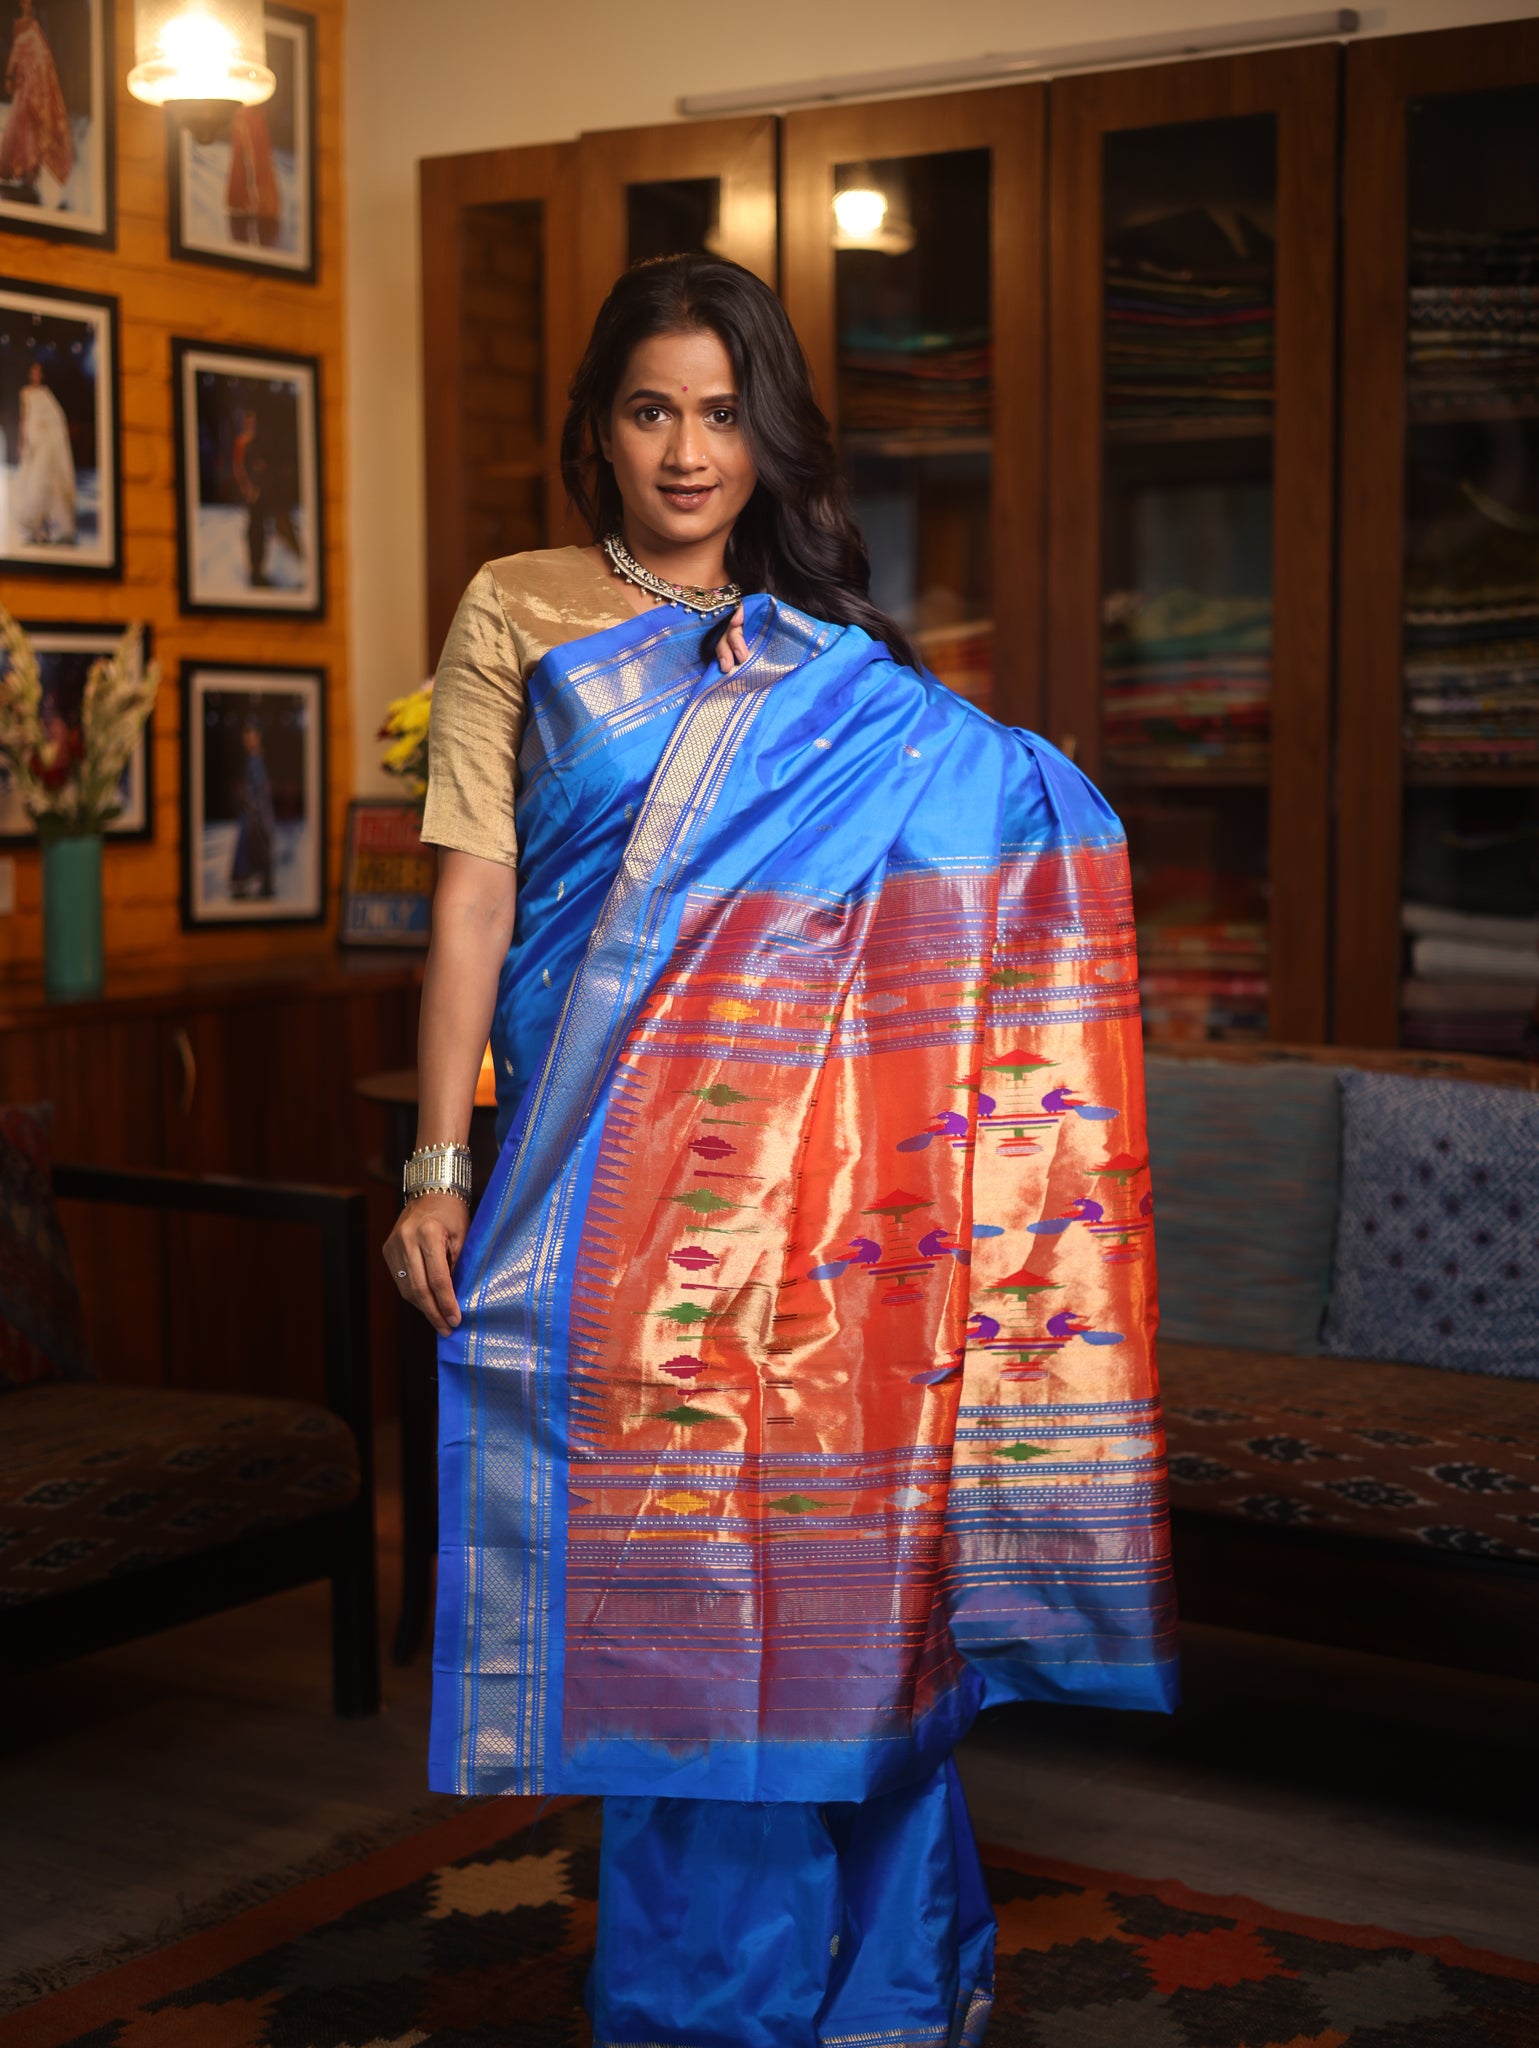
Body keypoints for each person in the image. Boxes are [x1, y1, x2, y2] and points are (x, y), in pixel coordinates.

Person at [385, 253, 1177, 2048]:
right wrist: (436, 1166)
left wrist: (1043, 801)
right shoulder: (519, 609)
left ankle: (890, 1987)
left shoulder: (831, 664)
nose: (686, 452)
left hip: (813, 1210)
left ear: (768, 437)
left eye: (722, 414)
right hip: (594, 1182)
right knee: (667, 1594)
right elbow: (474, 901)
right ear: (597, 426)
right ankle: (709, 2012)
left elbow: (976, 872)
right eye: (650, 410)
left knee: (841, 1587)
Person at [0, 0, 73, 204]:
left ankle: (29, 174)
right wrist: (11, 75)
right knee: (19, 125)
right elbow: (17, 52)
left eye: (29, 2)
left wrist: (34, 80)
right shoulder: (20, 26)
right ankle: (20, 171)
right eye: (24, 2)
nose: (26, 4)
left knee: (30, 127)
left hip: (31, 85)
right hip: (23, 85)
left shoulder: (33, 27)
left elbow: (40, 56)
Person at [14, 360, 75, 545]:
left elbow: (57, 416)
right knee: (32, 482)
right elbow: (24, 417)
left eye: (39, 372)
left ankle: (47, 526)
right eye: (33, 372)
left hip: (47, 444)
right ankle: (35, 527)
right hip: (34, 441)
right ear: (29, 374)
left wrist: (48, 429)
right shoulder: (25, 392)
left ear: (42, 375)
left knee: (46, 483)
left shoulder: (46, 393)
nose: (36, 375)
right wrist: (22, 441)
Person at [229, 715, 275, 898]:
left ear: (259, 736)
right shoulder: (252, 759)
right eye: (246, 735)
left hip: (258, 814)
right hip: (251, 814)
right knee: (249, 850)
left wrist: (256, 809)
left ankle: (262, 884)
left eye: (252, 735)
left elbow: (263, 789)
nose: (248, 739)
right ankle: (251, 884)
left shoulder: (258, 759)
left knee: (258, 848)